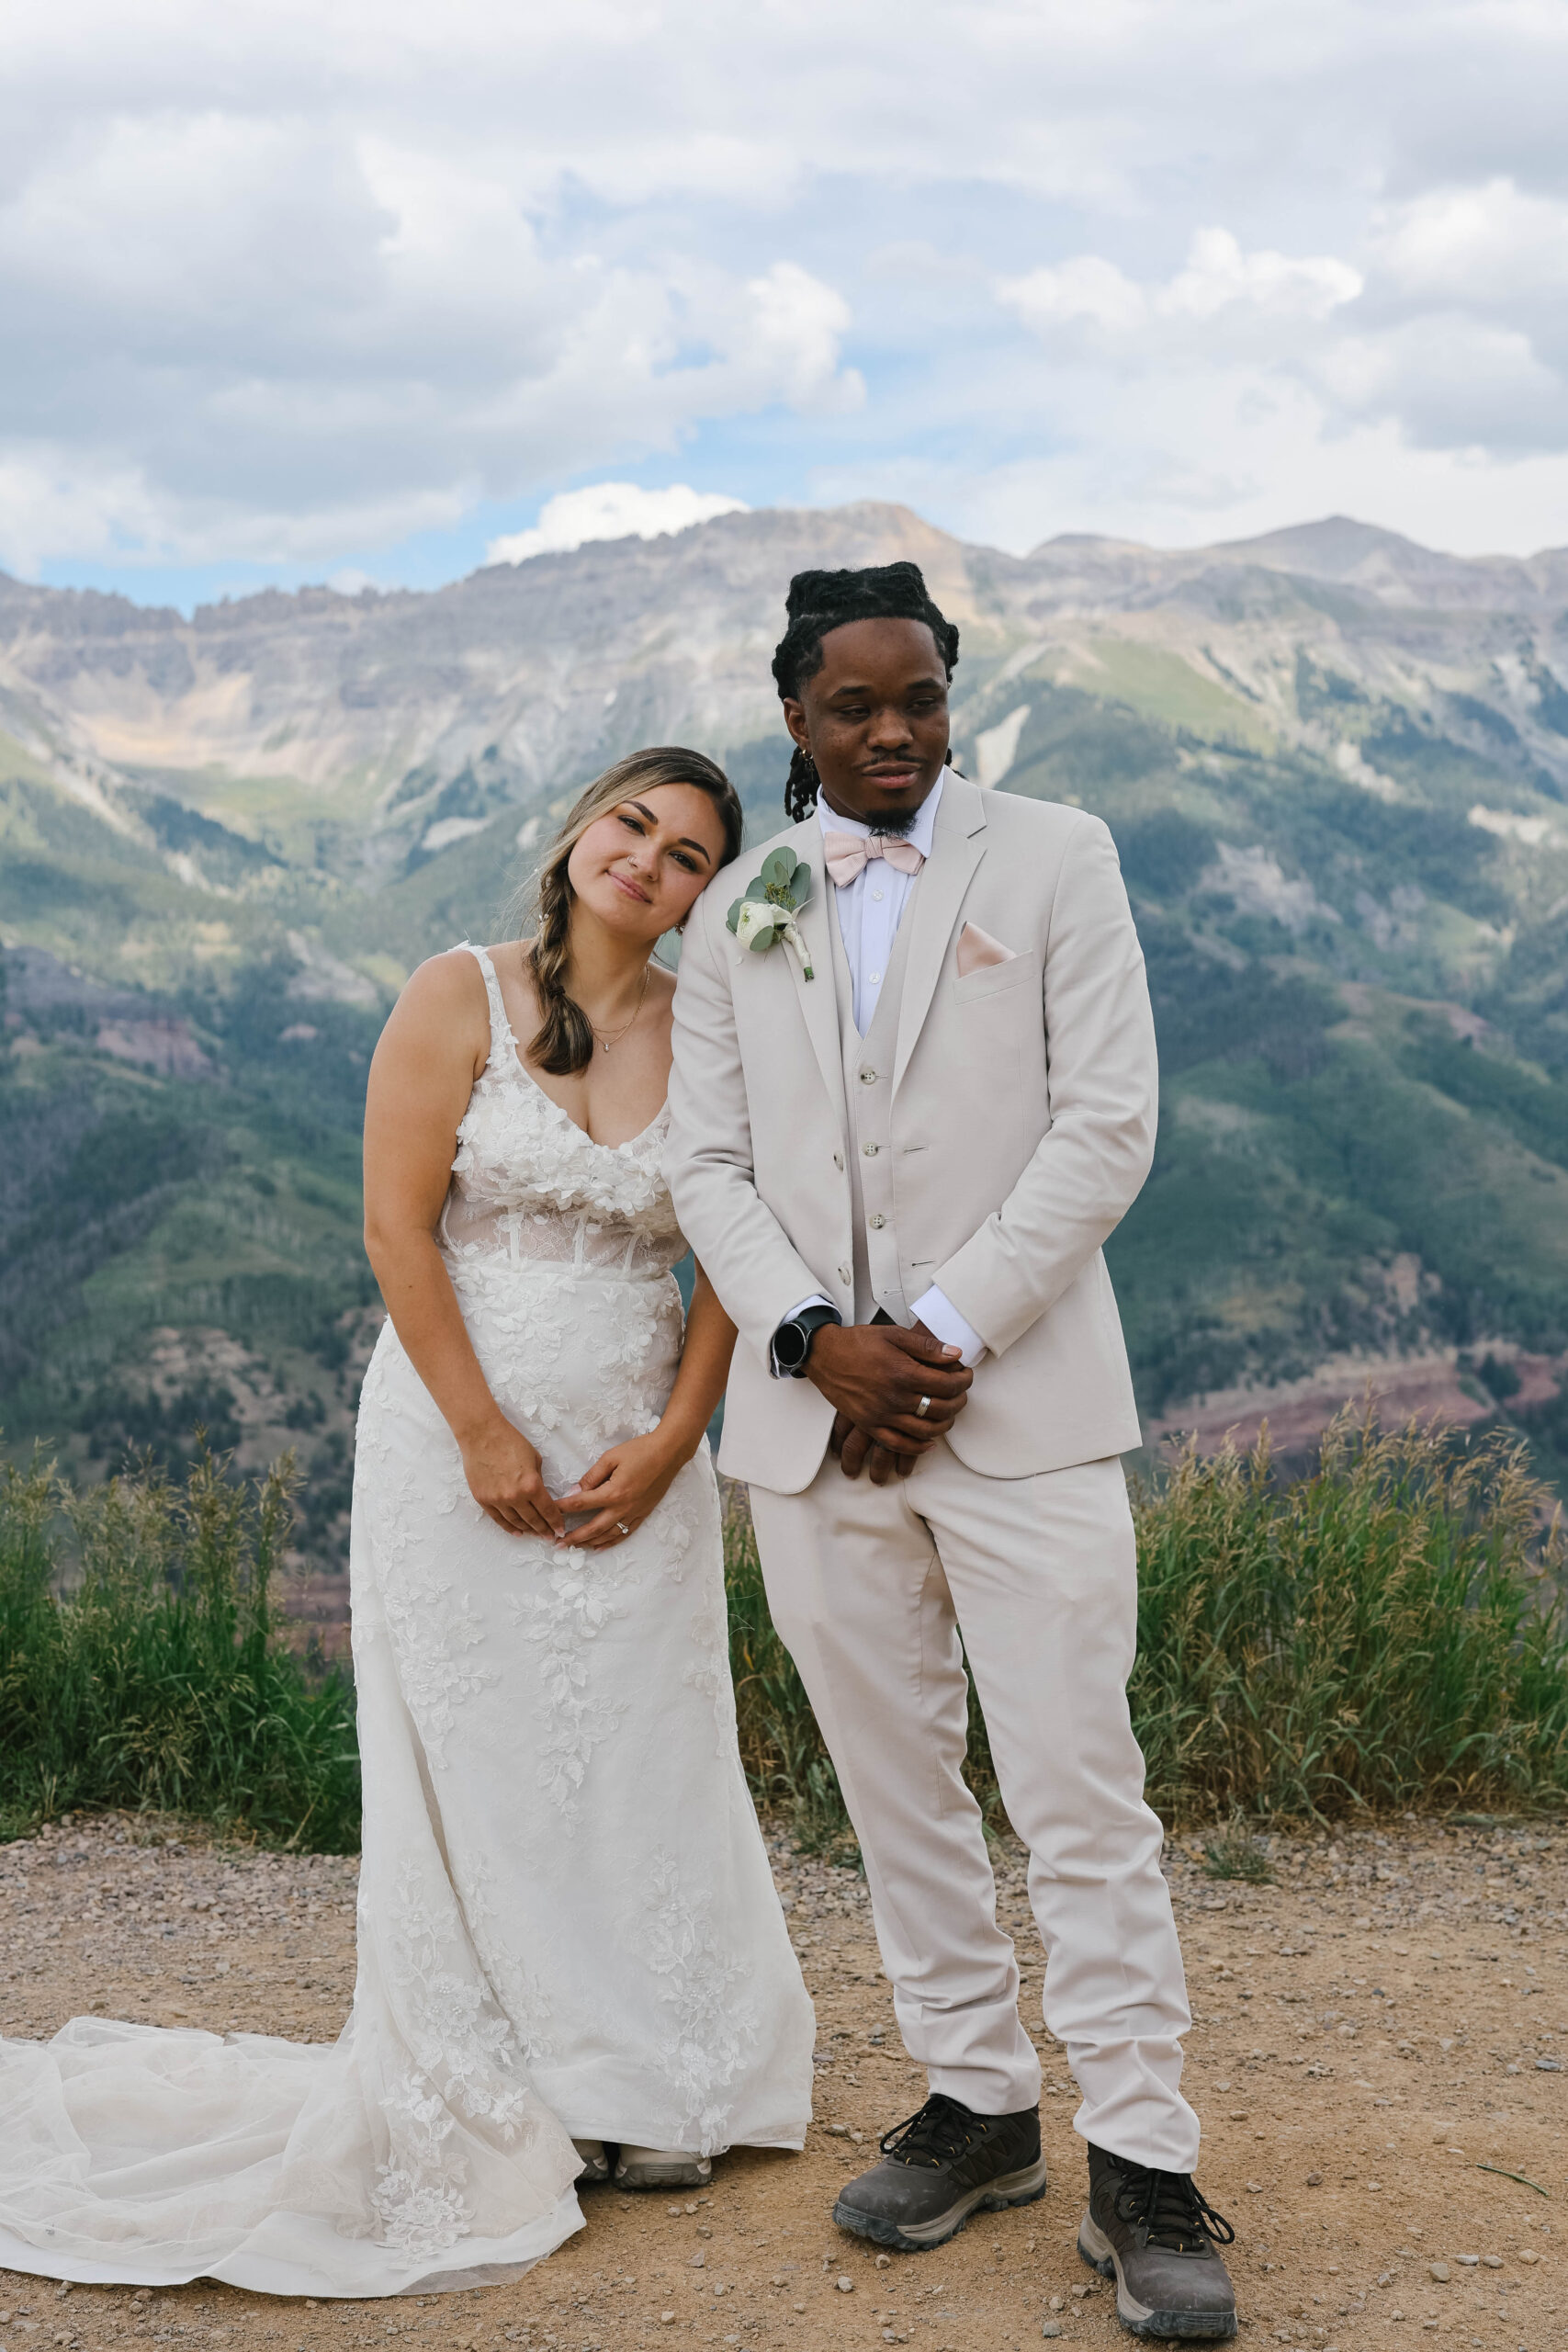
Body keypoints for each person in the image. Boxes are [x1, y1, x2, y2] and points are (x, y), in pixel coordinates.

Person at [0, 746, 814, 2299]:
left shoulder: (716, 1030)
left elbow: (732, 1250)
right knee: (478, 1750)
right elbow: (395, 1224)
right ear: (581, 830)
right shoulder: (459, 992)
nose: (650, 861)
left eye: (693, 854)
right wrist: (481, 1430)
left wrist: (679, 1436)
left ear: (713, 895)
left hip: (636, 1442)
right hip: (454, 1436)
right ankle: (496, 2075)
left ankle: (650, 2080)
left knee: (641, 1741)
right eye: (633, 824)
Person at [665, 569, 1238, 2341]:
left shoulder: (1059, 854)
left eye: (919, 697)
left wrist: (939, 1336)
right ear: (797, 719)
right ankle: (978, 2103)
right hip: (810, 1429)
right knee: (895, 1791)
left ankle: (1144, 2157)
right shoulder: (739, 907)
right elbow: (707, 1165)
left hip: (1023, 1409)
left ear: (948, 694)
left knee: (1080, 1786)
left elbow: (1108, 1123)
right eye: (856, 706)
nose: (895, 730)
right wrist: (812, 1346)